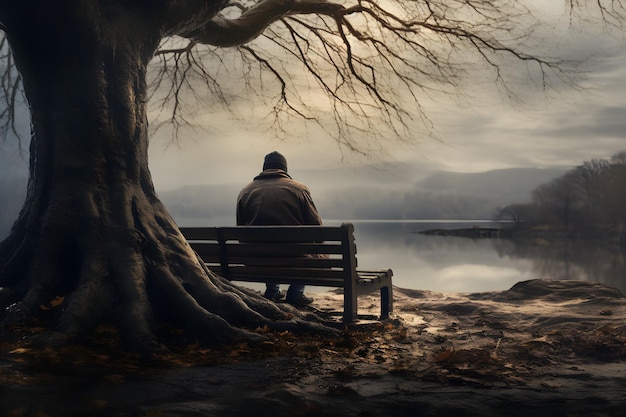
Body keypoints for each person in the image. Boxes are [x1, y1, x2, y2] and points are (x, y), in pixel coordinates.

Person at [236, 151, 322, 306]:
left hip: (257, 260)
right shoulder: (299, 190)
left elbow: (240, 230)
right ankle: (296, 292)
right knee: (314, 250)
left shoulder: (246, 191)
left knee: (266, 248)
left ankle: (272, 290)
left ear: (264, 168)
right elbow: (317, 228)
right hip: (295, 258)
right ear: (284, 169)